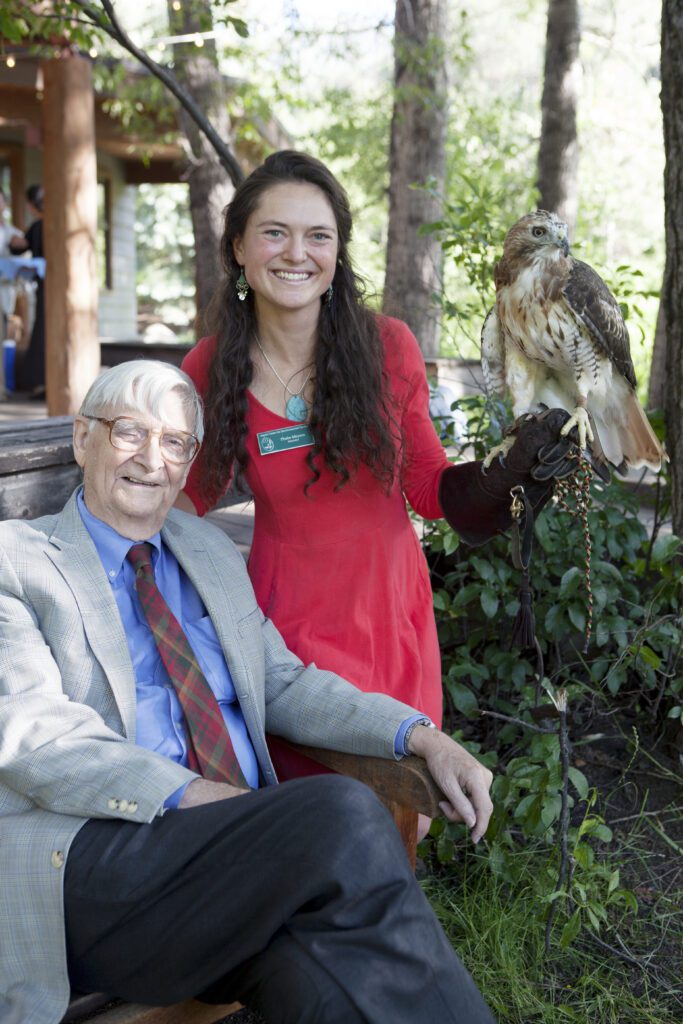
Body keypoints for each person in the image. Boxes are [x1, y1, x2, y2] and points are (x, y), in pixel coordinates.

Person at [0, 360, 499, 1024]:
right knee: (344, 816)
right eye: (128, 431)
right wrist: (209, 805)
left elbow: (284, 682)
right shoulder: (16, 562)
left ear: (188, 464)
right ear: (83, 439)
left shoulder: (205, 551)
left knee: (326, 981)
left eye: (174, 442)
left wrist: (418, 736)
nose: (152, 458)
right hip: (92, 871)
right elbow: (41, 741)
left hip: (223, 884)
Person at [178, 150, 568, 782]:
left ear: (337, 256)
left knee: (393, 803)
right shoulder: (213, 363)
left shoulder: (387, 346)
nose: (296, 253)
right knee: (308, 816)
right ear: (239, 250)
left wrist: (505, 477)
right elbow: (186, 499)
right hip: (282, 631)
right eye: (274, 232)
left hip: (388, 613)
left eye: (318, 236)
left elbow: (429, 489)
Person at [9, 182, 45, 393]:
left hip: (48, 286)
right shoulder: (37, 227)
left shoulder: (40, 226)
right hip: (45, 286)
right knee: (42, 329)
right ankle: (40, 381)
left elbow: (19, 247)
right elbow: (18, 248)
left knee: (42, 328)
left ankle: (40, 381)